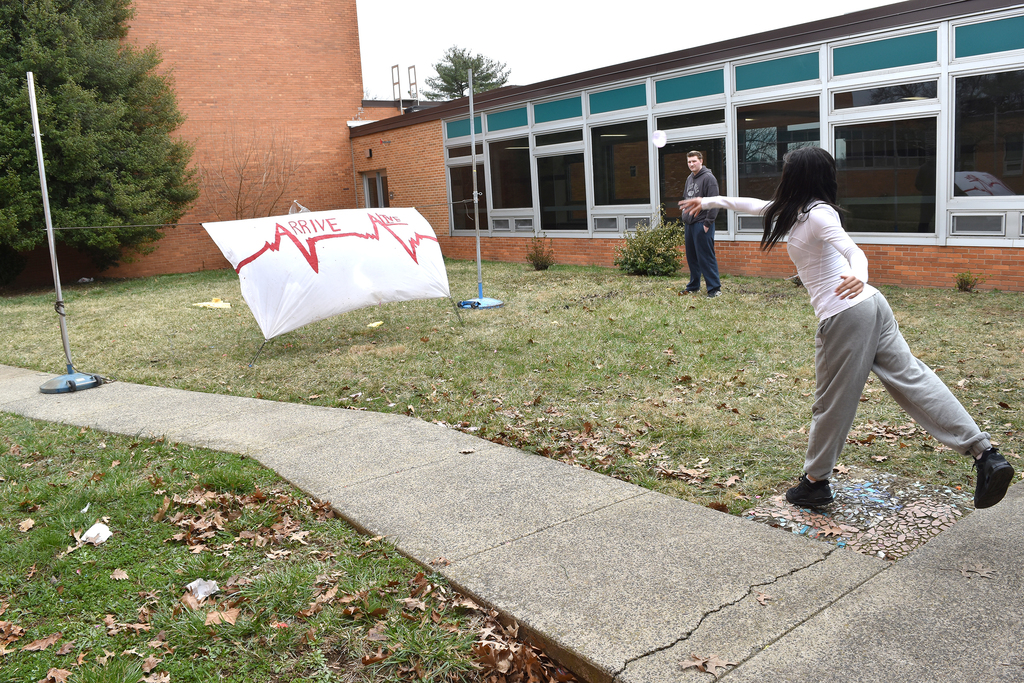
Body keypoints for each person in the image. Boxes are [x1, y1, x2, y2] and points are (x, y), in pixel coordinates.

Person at [679, 146, 1014, 510]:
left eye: (787, 170)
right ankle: (986, 455)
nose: (782, 176)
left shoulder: (820, 215)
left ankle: (814, 483)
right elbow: (753, 204)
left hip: (846, 314)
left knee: (832, 403)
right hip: (871, 306)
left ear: (798, 177)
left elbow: (855, 251)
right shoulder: (797, 211)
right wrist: (710, 200)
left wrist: (859, 273)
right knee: (914, 378)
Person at [680, 151, 721, 298]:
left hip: (702, 223)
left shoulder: (709, 178)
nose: (691, 164)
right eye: (689, 161)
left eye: (694, 161)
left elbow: (715, 202)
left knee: (706, 256)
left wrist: (707, 223)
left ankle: (714, 289)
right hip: (690, 224)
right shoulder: (689, 178)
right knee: (692, 257)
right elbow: (687, 198)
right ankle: (693, 286)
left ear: (701, 161)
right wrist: (685, 215)